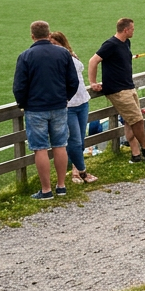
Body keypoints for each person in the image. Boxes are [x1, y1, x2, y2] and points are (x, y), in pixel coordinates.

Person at [13, 21, 79, 199]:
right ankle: (61, 185)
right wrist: (65, 98)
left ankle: (46, 190)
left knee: (40, 148)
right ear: (48, 34)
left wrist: (23, 103)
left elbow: (19, 86)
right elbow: (73, 81)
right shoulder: (63, 54)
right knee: (60, 146)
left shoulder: (26, 56)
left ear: (32, 35)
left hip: (35, 108)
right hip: (59, 105)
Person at [87, 17, 145, 162]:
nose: (134, 31)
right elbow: (93, 61)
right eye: (132, 29)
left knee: (130, 121)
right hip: (118, 90)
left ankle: (135, 154)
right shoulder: (110, 44)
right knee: (137, 120)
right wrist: (92, 82)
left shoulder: (126, 43)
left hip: (129, 86)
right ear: (126, 29)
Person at [48, 31, 96, 183]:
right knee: (74, 140)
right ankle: (81, 173)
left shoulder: (71, 55)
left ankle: (76, 169)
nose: (54, 47)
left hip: (82, 101)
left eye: (56, 44)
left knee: (80, 139)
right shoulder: (52, 61)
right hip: (68, 105)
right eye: (51, 45)